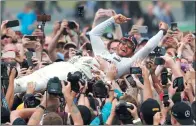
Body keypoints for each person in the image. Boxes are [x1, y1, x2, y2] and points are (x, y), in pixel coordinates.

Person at [13, 14, 168, 93]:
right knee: (26, 80)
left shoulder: (126, 64)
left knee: (35, 85)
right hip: (67, 64)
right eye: (123, 43)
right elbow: (94, 33)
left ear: (132, 52)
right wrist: (112, 19)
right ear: (119, 43)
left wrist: (162, 31)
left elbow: (147, 48)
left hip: (78, 73)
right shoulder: (103, 52)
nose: (125, 47)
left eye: (129, 47)